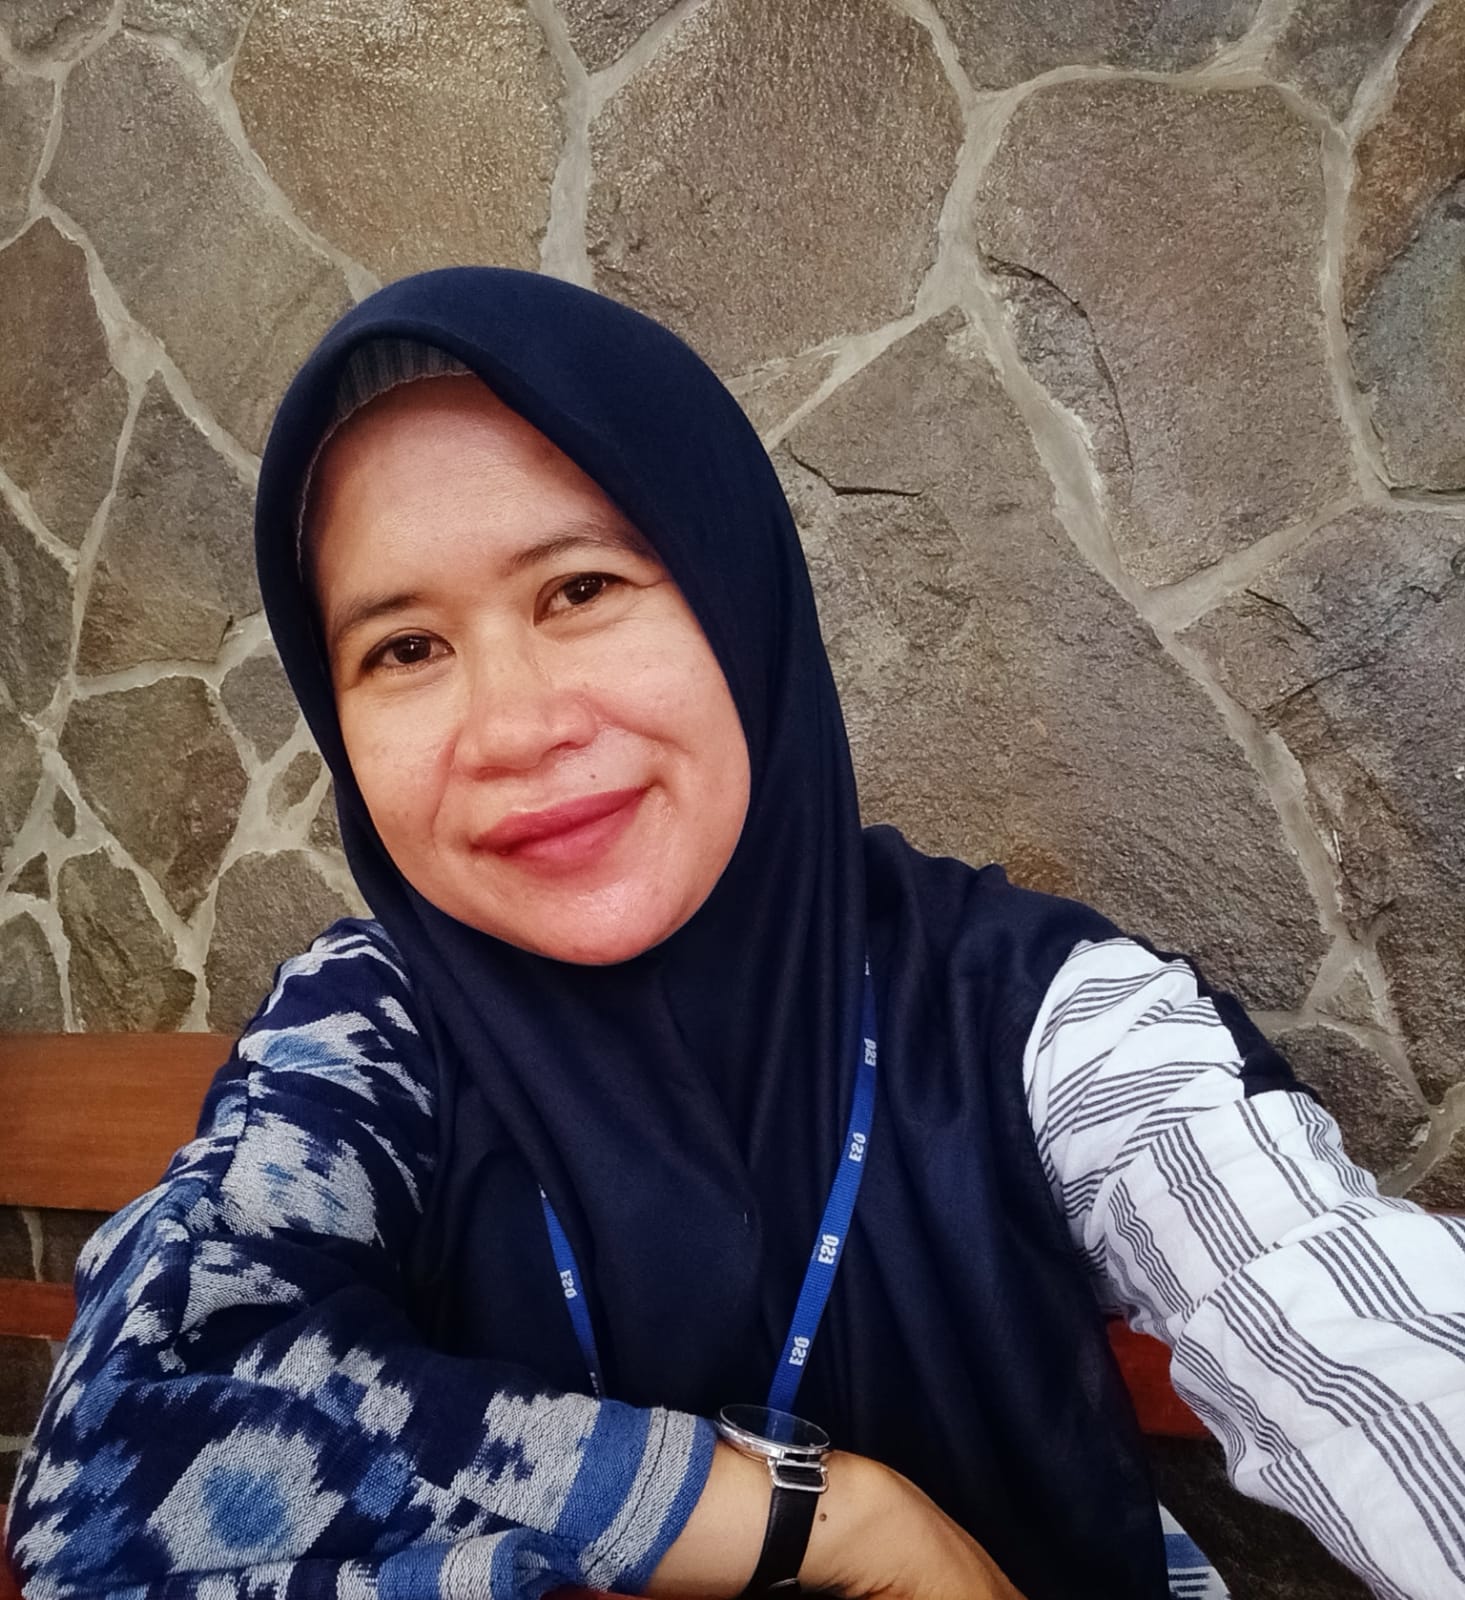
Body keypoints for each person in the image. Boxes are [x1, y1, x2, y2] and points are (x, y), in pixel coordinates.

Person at [6, 270, 1465, 1600]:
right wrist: (826, 1524)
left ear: (738, 597)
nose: (512, 727)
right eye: (404, 648)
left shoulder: (1039, 1016)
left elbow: (1349, 1329)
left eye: (581, 588)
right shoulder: (370, 1031)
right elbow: (123, 1455)